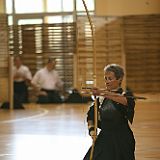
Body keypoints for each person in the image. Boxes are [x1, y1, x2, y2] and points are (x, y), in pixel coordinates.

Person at [83, 64, 135, 160]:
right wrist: (92, 130)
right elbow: (90, 116)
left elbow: (124, 101)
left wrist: (103, 93)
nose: (107, 82)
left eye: (110, 79)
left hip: (122, 140)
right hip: (104, 138)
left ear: (119, 79)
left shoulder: (127, 95)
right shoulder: (101, 98)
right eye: (105, 78)